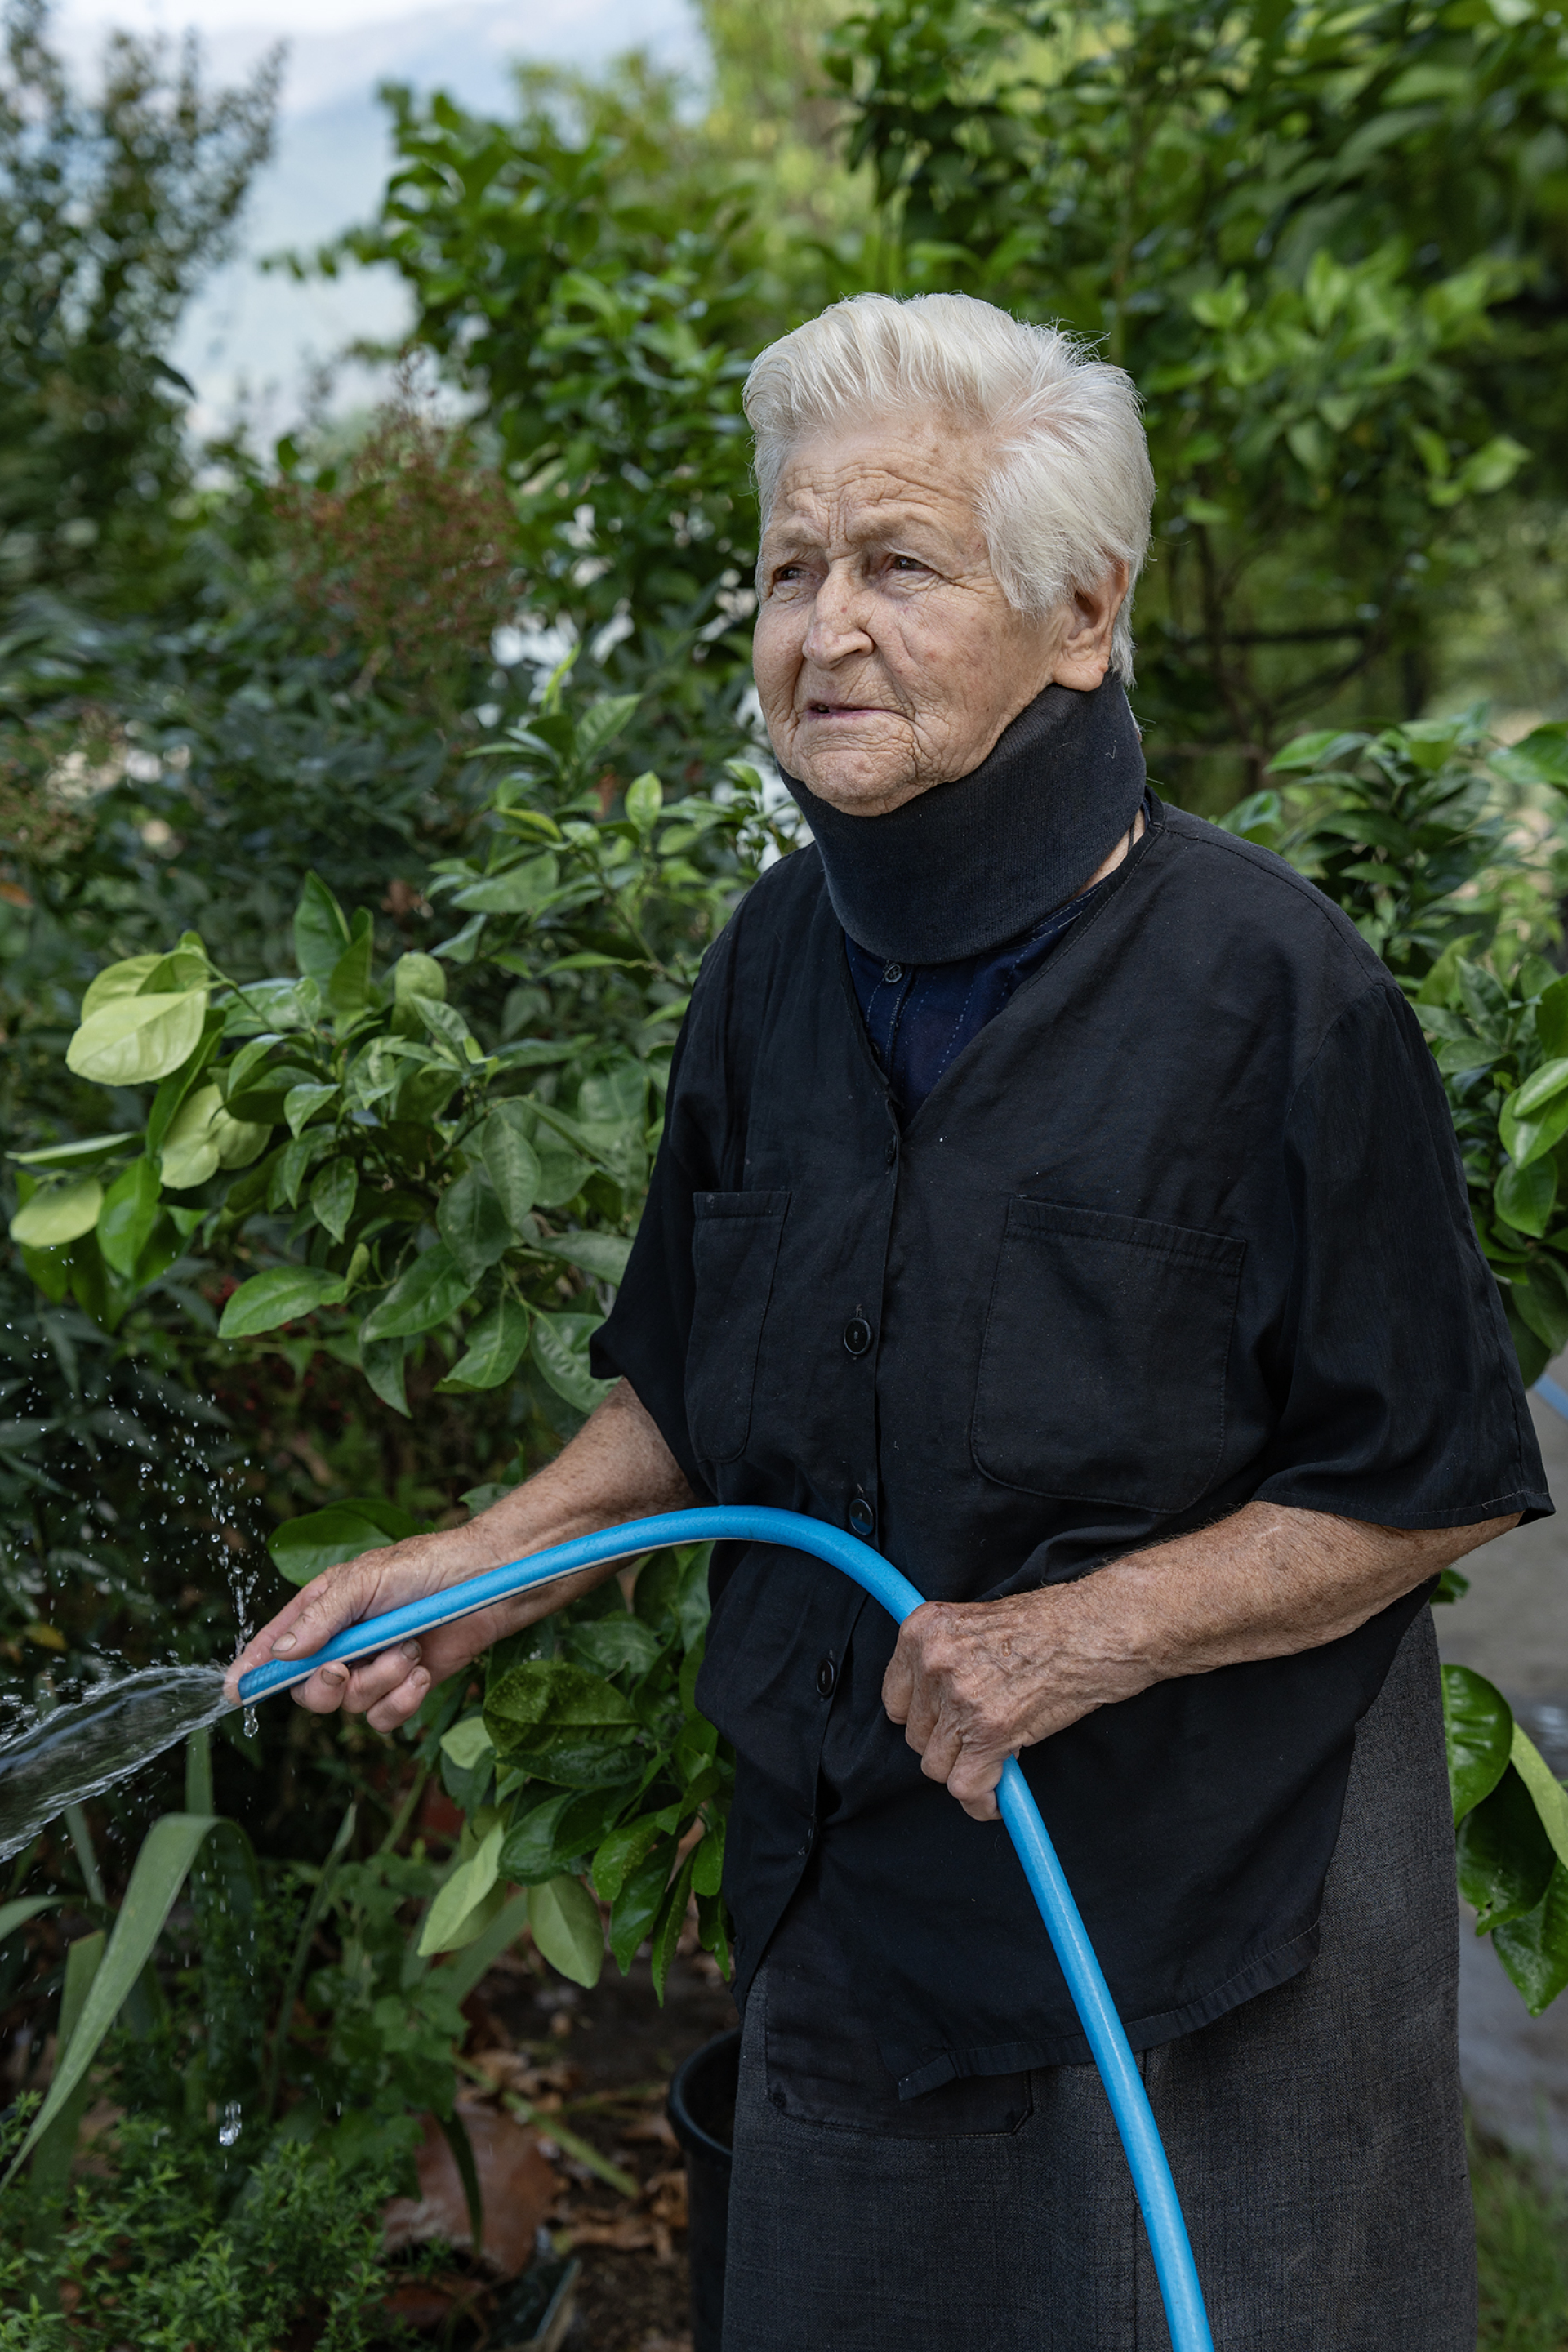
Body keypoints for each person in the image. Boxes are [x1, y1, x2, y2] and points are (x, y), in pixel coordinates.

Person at [230, 292, 1549, 2350]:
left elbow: (1431, 1482)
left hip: (1196, 1951)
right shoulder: (772, 966)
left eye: (897, 565)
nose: (819, 628)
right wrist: (489, 1566)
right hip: (851, 1916)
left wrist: (1071, 1638)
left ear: (1083, 616)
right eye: (787, 569)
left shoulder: (1274, 995)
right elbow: (688, 1376)